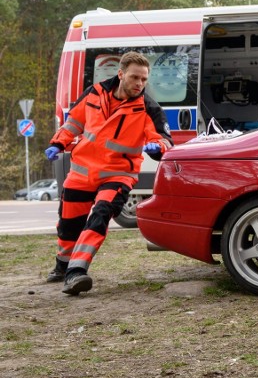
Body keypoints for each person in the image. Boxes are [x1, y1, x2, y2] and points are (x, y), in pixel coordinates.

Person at [44, 51, 173, 295]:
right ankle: (62, 264)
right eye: (135, 77)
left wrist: (159, 147)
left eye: (144, 79)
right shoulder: (94, 93)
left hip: (119, 174)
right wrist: (58, 143)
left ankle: (76, 272)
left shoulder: (148, 107)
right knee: (68, 225)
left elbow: (164, 138)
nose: (140, 84)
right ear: (121, 73)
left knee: (100, 215)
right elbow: (74, 122)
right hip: (81, 172)